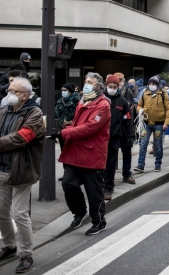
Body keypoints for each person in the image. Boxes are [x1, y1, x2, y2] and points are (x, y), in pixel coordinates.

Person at [57, 72, 111, 236]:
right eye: (86, 81)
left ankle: (99, 221)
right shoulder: (83, 101)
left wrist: (65, 133)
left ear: (98, 86)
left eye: (90, 82)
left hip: (92, 153)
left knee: (94, 192)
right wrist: (68, 131)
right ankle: (79, 212)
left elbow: (90, 128)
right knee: (68, 183)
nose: (86, 84)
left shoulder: (103, 105)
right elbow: (77, 124)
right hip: (76, 152)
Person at [0, 78, 45, 273]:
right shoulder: (4, 111)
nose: (9, 93)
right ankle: (10, 246)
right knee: (1, 212)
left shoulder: (34, 113)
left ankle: (26, 254)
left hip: (21, 169)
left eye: (13, 91)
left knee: (19, 213)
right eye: (9, 90)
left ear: (24, 95)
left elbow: (22, 137)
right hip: (2, 168)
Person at [103, 75, 135, 200]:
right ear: (106, 86)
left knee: (110, 163)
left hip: (114, 136)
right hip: (100, 137)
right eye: (110, 86)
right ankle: (98, 185)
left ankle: (108, 188)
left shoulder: (122, 102)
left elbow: (127, 120)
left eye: (114, 87)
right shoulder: (101, 99)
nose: (112, 89)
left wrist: (130, 136)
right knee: (100, 163)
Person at [135, 76, 169, 173]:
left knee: (158, 145)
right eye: (150, 84)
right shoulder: (144, 94)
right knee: (143, 144)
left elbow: (168, 109)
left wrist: (166, 122)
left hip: (158, 125)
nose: (151, 86)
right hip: (145, 124)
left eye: (153, 84)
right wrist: (140, 110)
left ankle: (158, 164)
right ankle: (140, 165)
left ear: (157, 85)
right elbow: (139, 105)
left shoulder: (163, 95)